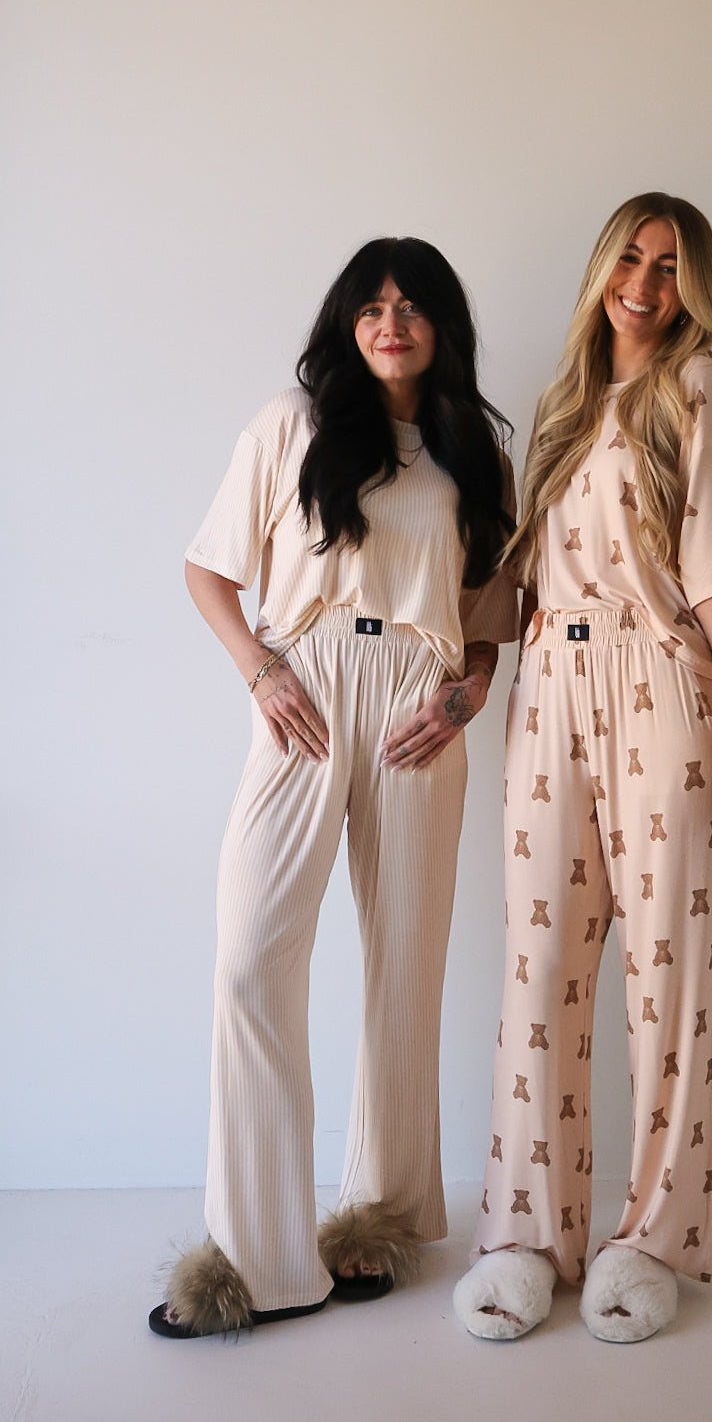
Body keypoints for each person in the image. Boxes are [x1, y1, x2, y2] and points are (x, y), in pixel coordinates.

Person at [150, 237, 517, 1338]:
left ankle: (385, 1215)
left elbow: (490, 624)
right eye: (371, 303)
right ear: (347, 321)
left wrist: (465, 698)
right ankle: (256, 1255)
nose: (389, 319)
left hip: (420, 704)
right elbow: (208, 569)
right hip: (304, 687)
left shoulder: (469, 451)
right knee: (253, 952)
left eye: (410, 304)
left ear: (441, 324)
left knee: (404, 966)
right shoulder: (289, 424)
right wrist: (262, 669)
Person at [453, 192, 712, 1344]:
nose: (648, 283)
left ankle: (646, 1237)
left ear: (694, 288)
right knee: (538, 961)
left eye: (673, 266)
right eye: (633, 257)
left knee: (667, 980)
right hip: (548, 687)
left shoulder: (696, 389)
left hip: (663, 687)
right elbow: (514, 579)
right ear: (604, 263)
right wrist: (457, 674)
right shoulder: (558, 406)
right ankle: (522, 1232)